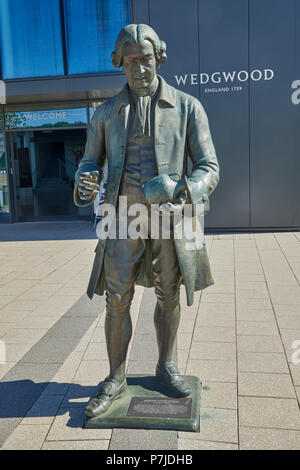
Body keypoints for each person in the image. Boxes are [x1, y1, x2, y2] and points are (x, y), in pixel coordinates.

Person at [73, 24, 219, 417]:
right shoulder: (105, 113)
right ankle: (116, 376)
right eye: (132, 61)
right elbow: (90, 161)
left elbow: (210, 167)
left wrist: (178, 189)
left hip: (170, 220)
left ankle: (166, 366)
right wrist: (84, 181)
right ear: (120, 63)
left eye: (147, 59)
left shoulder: (188, 107)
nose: (140, 69)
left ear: (160, 58)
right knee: (116, 298)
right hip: (122, 217)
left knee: (169, 293)